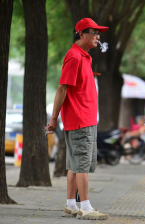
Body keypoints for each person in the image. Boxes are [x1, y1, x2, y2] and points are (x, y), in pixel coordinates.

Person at [45, 18, 109, 220]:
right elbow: (62, 88)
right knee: (81, 165)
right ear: (81, 34)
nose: (98, 37)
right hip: (80, 120)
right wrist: (54, 119)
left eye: (99, 33)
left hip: (86, 120)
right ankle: (86, 207)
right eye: (94, 32)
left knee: (74, 164)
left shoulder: (85, 57)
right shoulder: (74, 57)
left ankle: (71, 205)